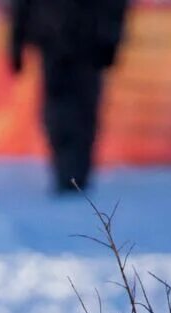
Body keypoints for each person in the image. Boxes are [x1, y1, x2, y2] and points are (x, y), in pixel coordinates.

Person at [9, 0, 129, 194]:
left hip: (87, 43)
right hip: (57, 42)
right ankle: (68, 172)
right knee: (62, 113)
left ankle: (75, 173)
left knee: (81, 113)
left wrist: (111, 37)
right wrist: (16, 42)